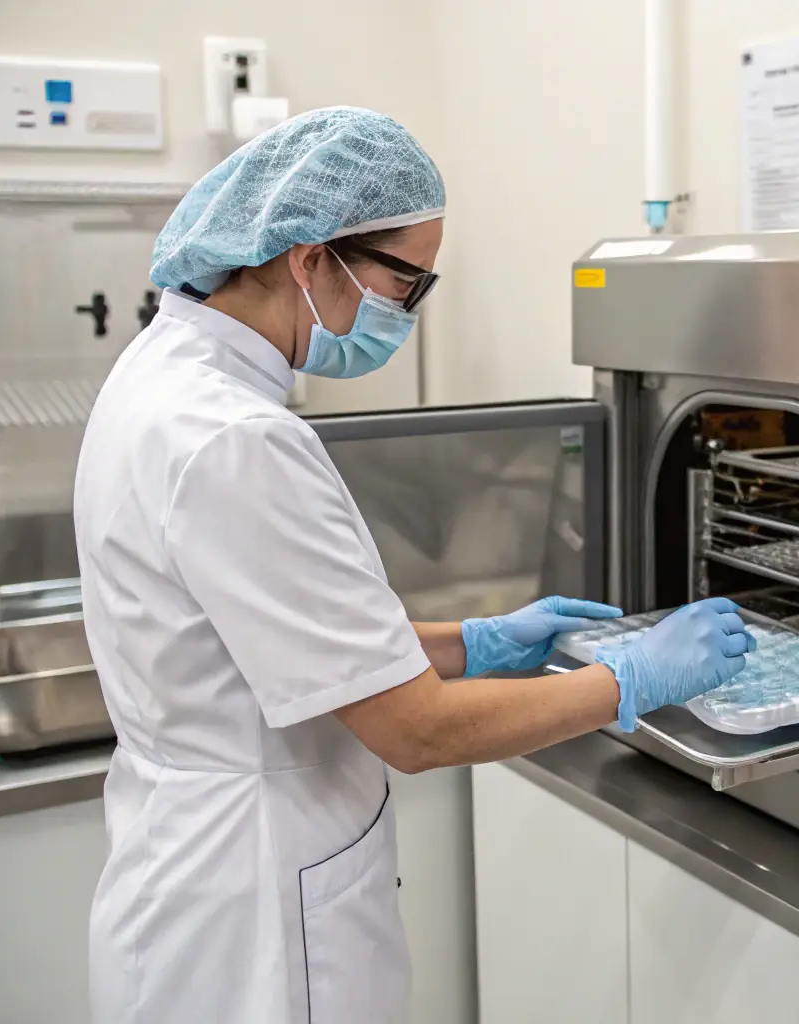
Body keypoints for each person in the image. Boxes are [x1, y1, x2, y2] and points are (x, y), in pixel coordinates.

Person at [72, 106, 755, 1023]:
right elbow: (415, 732)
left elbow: (282, 640)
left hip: (191, 872)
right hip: (253, 923)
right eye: (406, 280)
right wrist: (632, 680)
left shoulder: (165, 379)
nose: (408, 311)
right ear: (309, 258)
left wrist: (470, 643)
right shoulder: (235, 440)